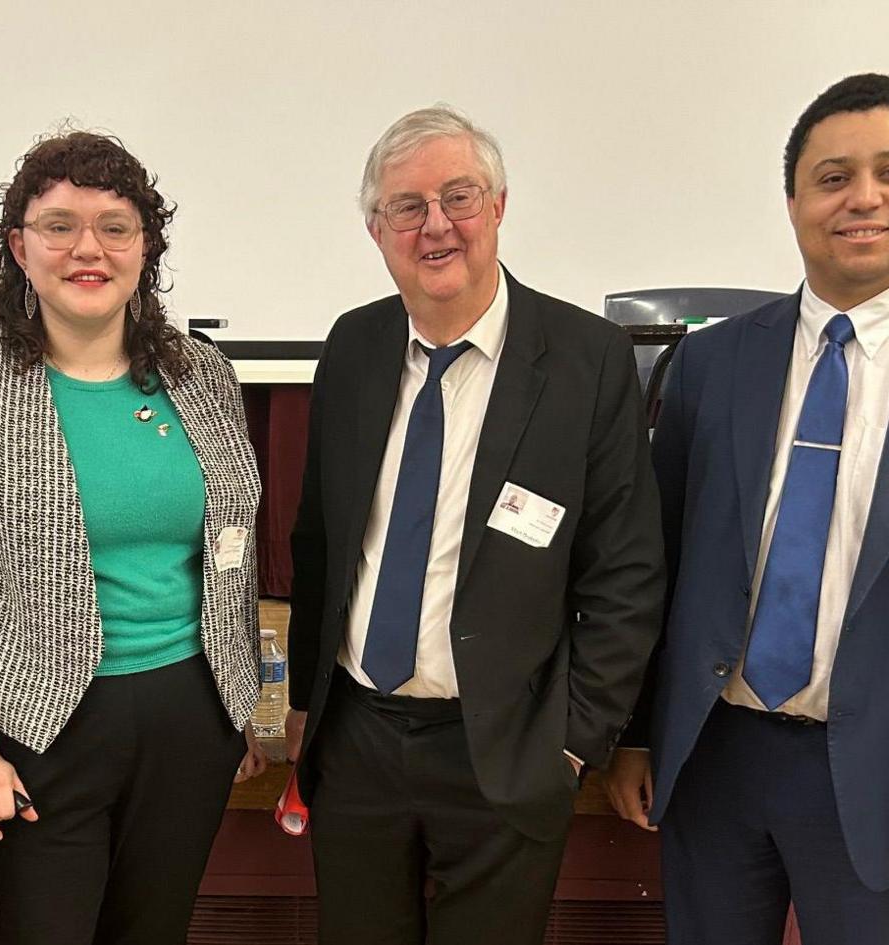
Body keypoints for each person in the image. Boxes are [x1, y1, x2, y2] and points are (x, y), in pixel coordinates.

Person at [605, 73, 889, 945]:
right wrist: (634, 733)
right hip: (714, 761)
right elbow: (655, 568)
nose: (863, 198)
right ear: (793, 201)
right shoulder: (710, 366)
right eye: (832, 178)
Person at [285, 106, 665, 943]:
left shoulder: (586, 358)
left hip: (505, 747)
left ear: (498, 207)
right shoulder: (352, 346)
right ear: (377, 229)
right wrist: (307, 711)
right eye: (407, 207)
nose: (436, 226)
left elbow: (625, 570)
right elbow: (320, 539)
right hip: (358, 741)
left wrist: (570, 744)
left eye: (458, 197)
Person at [0, 130, 267, 945]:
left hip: (190, 716)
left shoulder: (203, 375)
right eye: (59, 225)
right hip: (39, 727)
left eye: (114, 226)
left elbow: (229, 550)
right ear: (19, 247)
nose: (86, 248)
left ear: (146, 248)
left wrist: (233, 702)